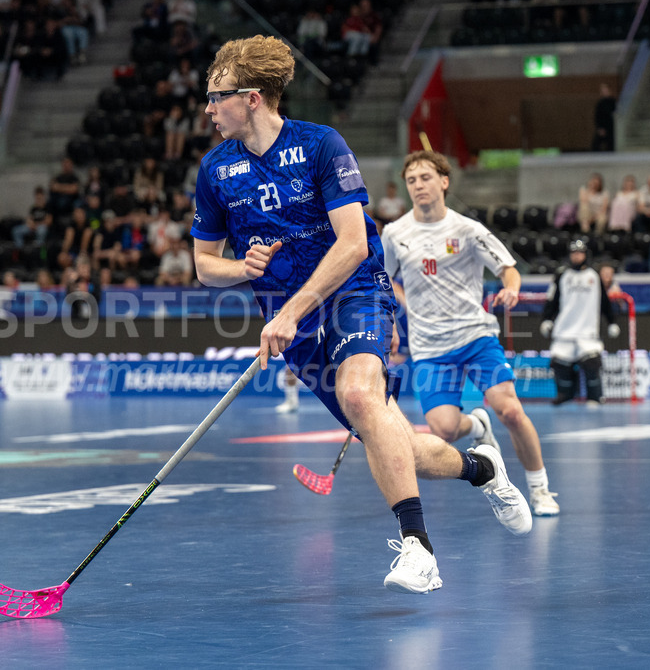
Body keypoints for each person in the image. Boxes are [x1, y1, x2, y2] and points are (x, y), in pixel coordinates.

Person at [190, 35, 531, 595]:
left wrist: (292, 310)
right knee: (383, 433)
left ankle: (418, 547)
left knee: (358, 396)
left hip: (354, 291)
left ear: (251, 97)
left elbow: (351, 242)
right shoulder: (215, 170)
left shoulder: (321, 145)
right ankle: (483, 468)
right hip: (289, 322)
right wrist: (244, 269)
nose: (208, 108)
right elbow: (205, 266)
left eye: (216, 96)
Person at [381, 150, 560, 518]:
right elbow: (380, 280)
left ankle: (540, 488)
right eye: (412, 180)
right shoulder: (396, 234)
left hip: (475, 337)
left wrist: (511, 287)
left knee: (510, 410)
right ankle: (477, 423)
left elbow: (508, 267)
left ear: (444, 182)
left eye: (426, 177)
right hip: (430, 346)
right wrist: (392, 318)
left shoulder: (467, 229)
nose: (418, 185)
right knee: (444, 430)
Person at [541, 239, 619, 406]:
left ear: (585, 254)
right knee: (560, 364)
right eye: (574, 253)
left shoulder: (594, 275)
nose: (577, 256)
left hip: (587, 331)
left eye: (580, 253)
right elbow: (552, 300)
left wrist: (612, 321)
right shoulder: (562, 275)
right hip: (564, 330)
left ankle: (595, 397)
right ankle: (565, 395)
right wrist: (547, 319)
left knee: (591, 364)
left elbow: (604, 301)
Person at [591, 82, 616, 152]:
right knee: (595, 145)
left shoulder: (613, 102)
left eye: (605, 89)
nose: (604, 91)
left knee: (611, 146)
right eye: (602, 90)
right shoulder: (600, 103)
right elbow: (597, 117)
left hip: (611, 128)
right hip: (602, 128)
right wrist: (600, 128)